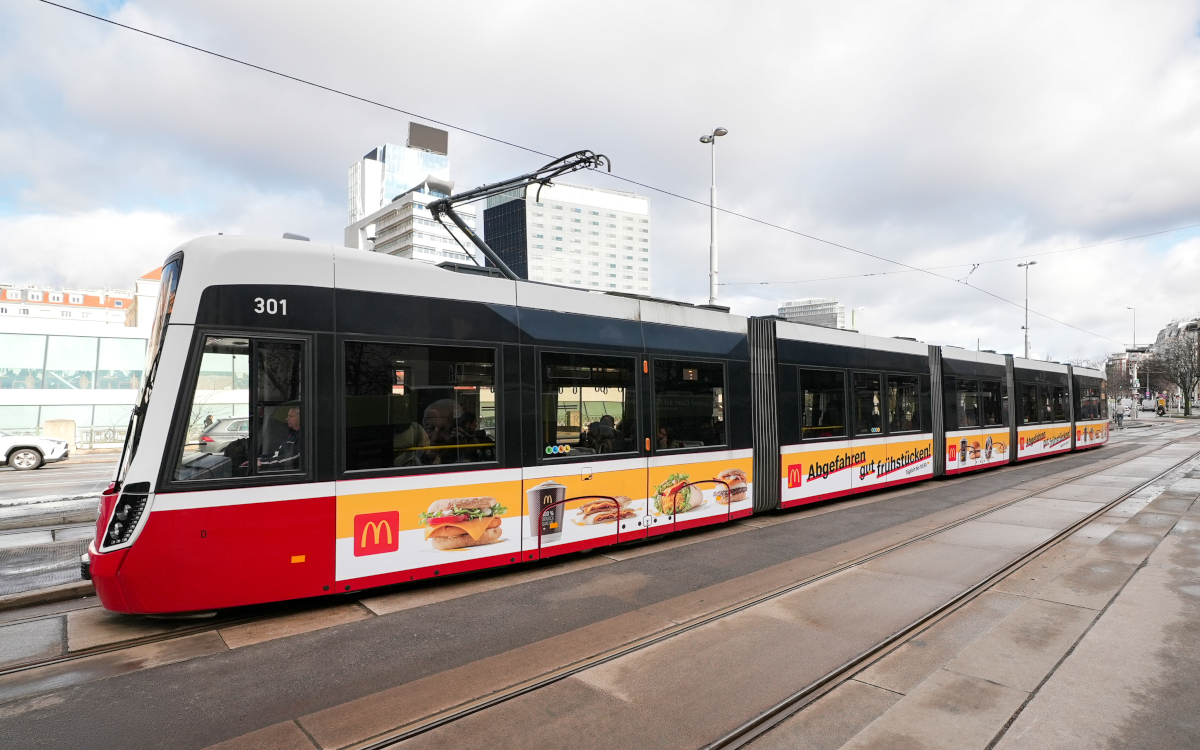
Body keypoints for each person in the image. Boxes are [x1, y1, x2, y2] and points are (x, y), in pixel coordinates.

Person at [259, 406, 301, 471]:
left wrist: (263, 463)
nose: (287, 419)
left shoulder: (306, 436)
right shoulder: (293, 435)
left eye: (291, 416)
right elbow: (279, 453)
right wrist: (261, 459)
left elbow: (295, 457)